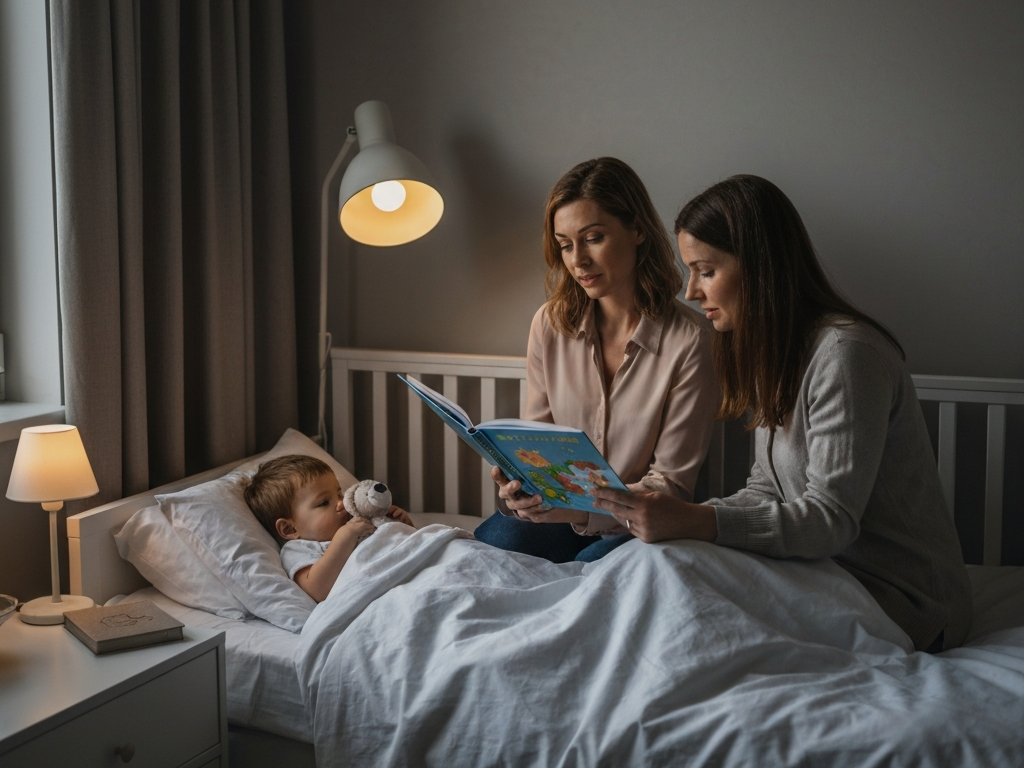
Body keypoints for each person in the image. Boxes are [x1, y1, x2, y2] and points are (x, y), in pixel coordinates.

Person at [591, 174, 971, 651]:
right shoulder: (776, 352)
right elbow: (766, 490)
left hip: (903, 599)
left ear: (760, 268)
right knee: (650, 563)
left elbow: (831, 519)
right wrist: (680, 516)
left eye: (705, 271)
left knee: (676, 585)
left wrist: (696, 523)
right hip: (823, 571)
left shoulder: (846, 354)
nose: (690, 292)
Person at [474, 157, 718, 563]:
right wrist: (519, 487)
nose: (578, 261)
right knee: (485, 555)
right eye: (565, 244)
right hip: (558, 517)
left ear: (637, 230)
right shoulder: (549, 325)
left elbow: (671, 486)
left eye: (593, 238)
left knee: (594, 582)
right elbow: (537, 445)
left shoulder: (690, 341)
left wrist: (579, 511)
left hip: (639, 527)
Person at [244, 455, 414, 602]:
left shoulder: (358, 521)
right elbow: (318, 590)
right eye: (324, 502)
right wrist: (345, 537)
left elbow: (405, 546)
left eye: (339, 494)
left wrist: (402, 525)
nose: (341, 503)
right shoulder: (298, 549)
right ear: (289, 529)